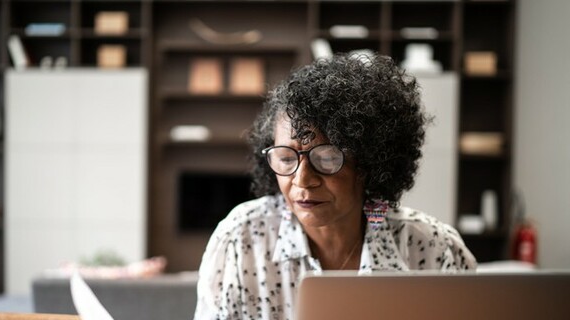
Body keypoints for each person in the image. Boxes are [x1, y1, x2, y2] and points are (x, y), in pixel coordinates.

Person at [194, 52, 477, 320]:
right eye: (285, 157)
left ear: (369, 162)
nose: (302, 180)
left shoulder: (433, 248)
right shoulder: (240, 240)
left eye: (327, 159)